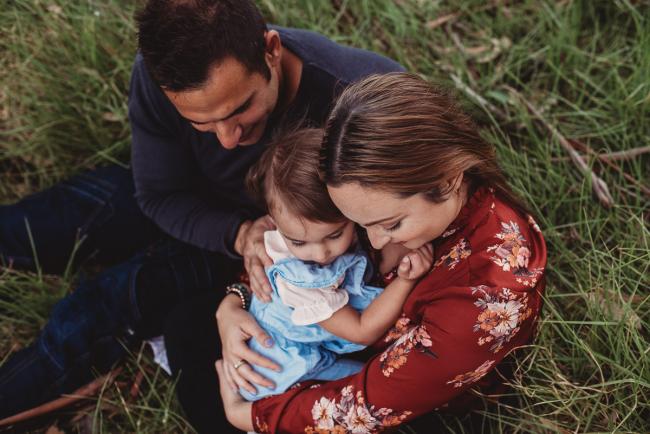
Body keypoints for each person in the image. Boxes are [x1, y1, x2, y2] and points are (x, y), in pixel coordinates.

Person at [0, 0, 403, 423]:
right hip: (201, 208)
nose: (228, 140)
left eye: (240, 109)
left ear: (271, 50)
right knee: (49, 221)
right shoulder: (163, 74)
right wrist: (238, 231)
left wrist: (241, 281)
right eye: (202, 123)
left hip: (271, 255)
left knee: (101, 305)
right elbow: (157, 194)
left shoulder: (361, 99)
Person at [211, 72, 547, 433]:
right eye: (356, 223)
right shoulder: (367, 191)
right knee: (188, 326)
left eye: (391, 224)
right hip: (315, 348)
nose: (373, 242)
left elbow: (370, 403)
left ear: (448, 178)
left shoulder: (487, 295)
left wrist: (251, 417)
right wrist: (235, 302)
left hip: (398, 407)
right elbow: (298, 253)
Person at [233, 127, 433, 401]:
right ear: (272, 220)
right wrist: (405, 281)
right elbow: (361, 331)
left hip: (314, 352)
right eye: (299, 242)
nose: (320, 253)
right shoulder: (298, 280)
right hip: (282, 369)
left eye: (335, 234)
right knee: (374, 389)